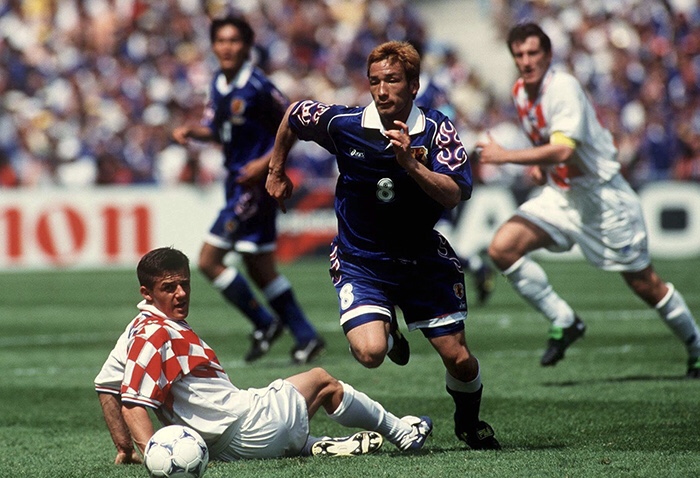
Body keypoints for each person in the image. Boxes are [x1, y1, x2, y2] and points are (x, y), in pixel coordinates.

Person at [266, 40, 500, 450]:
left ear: (414, 85)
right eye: (374, 81)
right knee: (371, 352)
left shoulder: (436, 129)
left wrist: (410, 163)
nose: (381, 90)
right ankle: (388, 331)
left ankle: (468, 422)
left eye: (392, 80)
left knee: (460, 361)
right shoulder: (346, 124)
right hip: (363, 260)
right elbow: (294, 113)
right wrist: (276, 169)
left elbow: (455, 193)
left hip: (422, 260)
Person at [476, 22, 700, 377]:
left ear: (548, 55)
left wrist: (506, 157)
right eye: (519, 54)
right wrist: (539, 168)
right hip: (562, 195)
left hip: (603, 199)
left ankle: (696, 346)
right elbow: (548, 144)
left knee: (644, 283)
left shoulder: (562, 87)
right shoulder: (520, 91)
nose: (526, 60)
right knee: (502, 248)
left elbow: (564, 151)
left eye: (533, 53)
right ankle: (564, 320)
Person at [95, 247, 434, 464]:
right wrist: (153, 456)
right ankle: (404, 434)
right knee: (322, 381)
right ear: (147, 292)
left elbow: (106, 384)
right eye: (169, 287)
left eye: (184, 284)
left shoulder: (136, 328)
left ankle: (313, 444)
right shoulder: (157, 333)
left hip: (212, 448)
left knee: (281, 404)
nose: (181, 293)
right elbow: (134, 403)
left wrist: (125, 449)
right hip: (246, 428)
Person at [172, 16, 324, 365]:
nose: (227, 47)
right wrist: (193, 132)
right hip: (235, 183)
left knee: (209, 261)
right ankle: (306, 336)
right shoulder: (219, 84)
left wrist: (266, 165)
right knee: (258, 266)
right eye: (221, 41)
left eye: (234, 41)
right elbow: (217, 128)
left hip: (253, 187)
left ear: (247, 46)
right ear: (213, 46)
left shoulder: (257, 86)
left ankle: (264, 322)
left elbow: (294, 125)